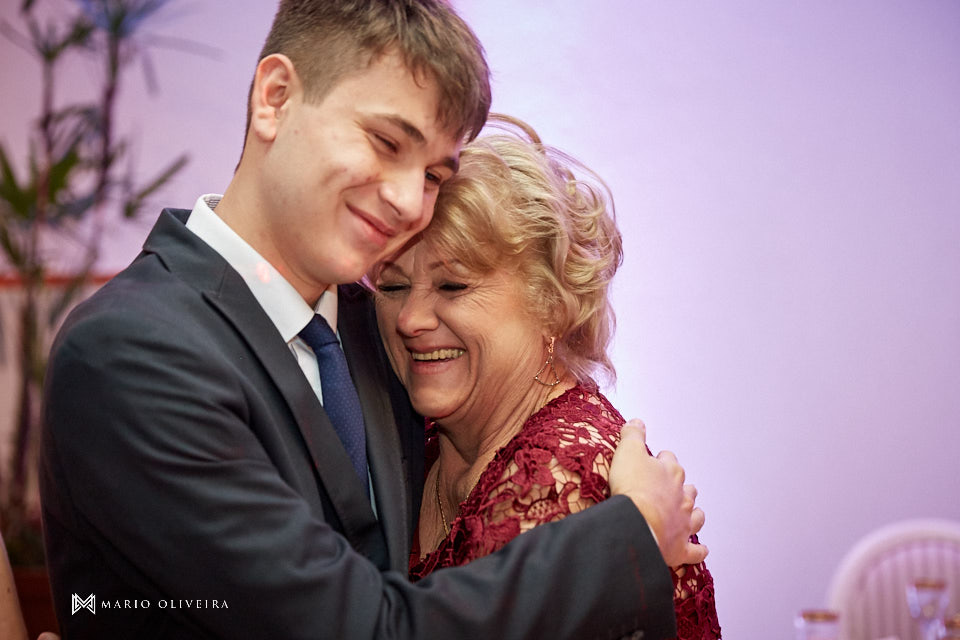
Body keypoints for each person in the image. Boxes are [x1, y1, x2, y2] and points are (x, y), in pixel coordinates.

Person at [40, 1, 704, 638]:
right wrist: (633, 532)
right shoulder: (130, 354)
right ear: (274, 97)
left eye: (435, 174)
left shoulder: (375, 333)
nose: (408, 200)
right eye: (386, 142)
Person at [372, 115, 720, 639]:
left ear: (552, 306)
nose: (410, 319)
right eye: (394, 287)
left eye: (453, 285)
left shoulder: (564, 482)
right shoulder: (405, 435)